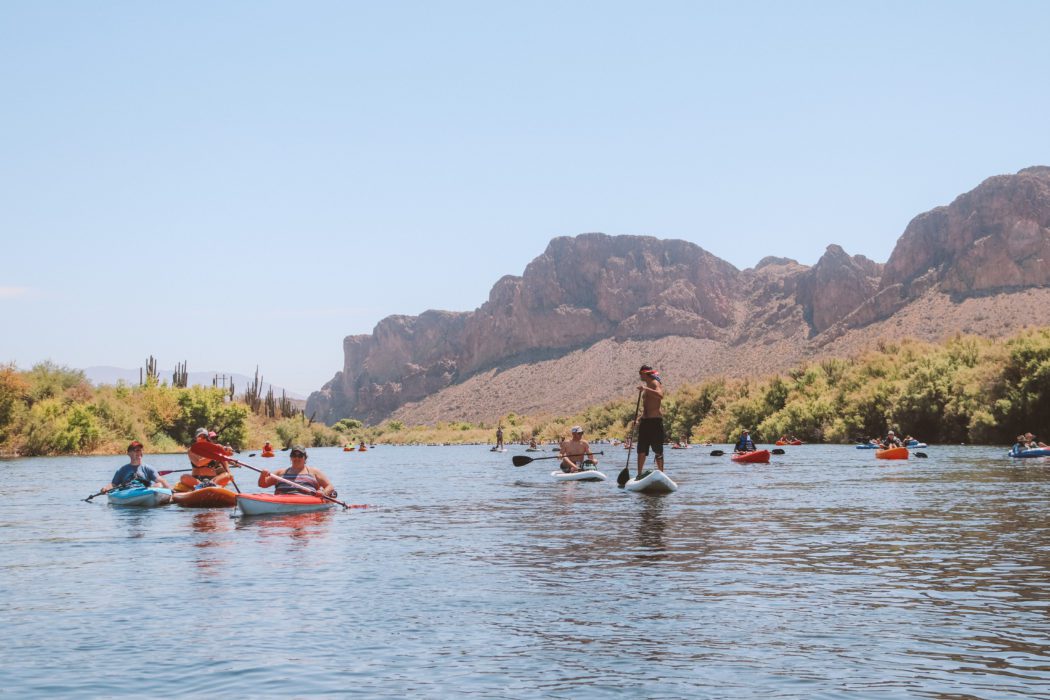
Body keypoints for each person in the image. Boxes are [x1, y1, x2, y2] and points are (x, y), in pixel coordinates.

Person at [258, 445, 336, 498]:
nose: (297, 458)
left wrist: (324, 493)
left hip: (306, 502)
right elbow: (263, 484)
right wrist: (262, 475)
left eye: (300, 456)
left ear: (305, 458)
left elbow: (330, 486)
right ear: (291, 457)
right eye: (294, 455)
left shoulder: (314, 472)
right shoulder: (280, 472)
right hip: (281, 500)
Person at [102, 440, 170, 492]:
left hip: (144, 492)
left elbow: (161, 480)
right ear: (129, 453)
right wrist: (105, 489)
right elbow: (113, 484)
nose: (139, 453)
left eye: (140, 450)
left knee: (159, 485)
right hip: (128, 492)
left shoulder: (148, 468)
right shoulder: (122, 470)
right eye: (136, 450)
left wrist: (171, 491)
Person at [635, 365, 666, 477]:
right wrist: (639, 419)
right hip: (645, 422)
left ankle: (662, 474)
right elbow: (647, 406)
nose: (639, 376)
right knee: (641, 449)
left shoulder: (654, 383)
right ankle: (639, 475)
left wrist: (646, 389)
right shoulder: (648, 385)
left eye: (640, 374)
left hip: (655, 422)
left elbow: (660, 395)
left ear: (644, 373)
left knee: (658, 449)